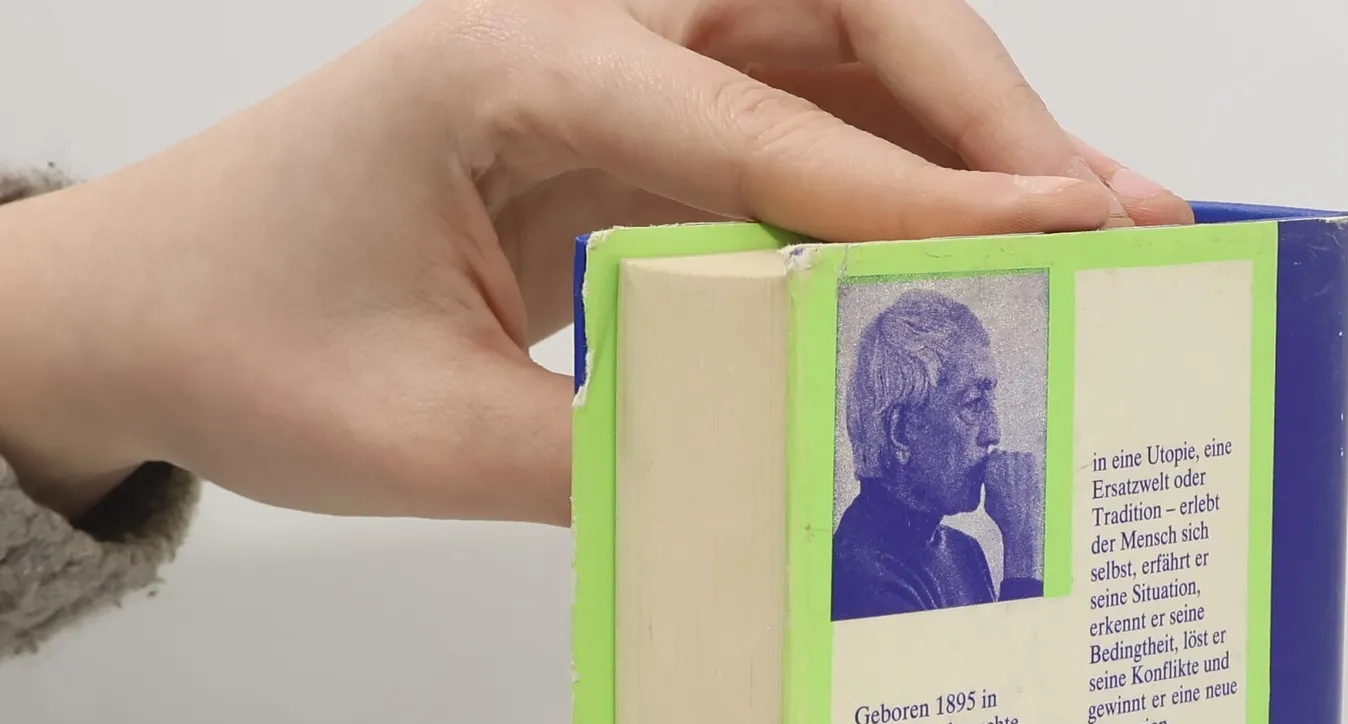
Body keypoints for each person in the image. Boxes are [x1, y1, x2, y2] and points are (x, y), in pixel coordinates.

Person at [0, 0, 1188, 660]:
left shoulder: (961, 554)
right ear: (894, 422)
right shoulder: (876, 562)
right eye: (970, 397)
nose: (993, 422)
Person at [832, 288, 1041, 621]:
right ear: (901, 432)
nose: (993, 432)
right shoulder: (864, 575)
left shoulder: (964, 552)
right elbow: (1014, 657)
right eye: (973, 403)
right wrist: (1023, 548)